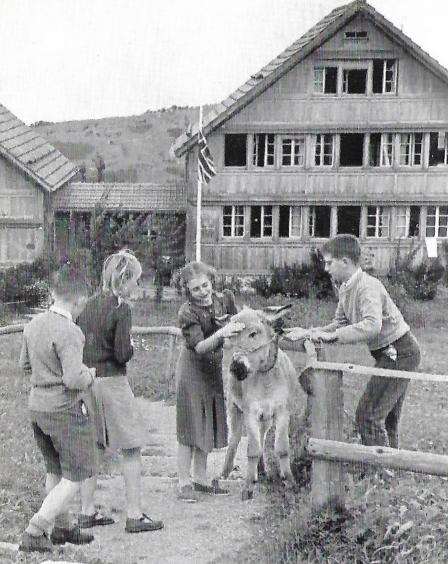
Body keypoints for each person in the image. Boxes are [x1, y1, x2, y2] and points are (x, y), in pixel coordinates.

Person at [285, 234, 420, 449]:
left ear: (345, 262)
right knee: (385, 417)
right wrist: (308, 332)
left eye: (330, 263)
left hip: (401, 352)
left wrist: (334, 336)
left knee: (368, 415)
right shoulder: (346, 287)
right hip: (390, 353)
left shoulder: (368, 286)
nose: (326, 269)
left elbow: (372, 325)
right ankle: (388, 468)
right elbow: (338, 323)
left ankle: (378, 470)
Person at [77, 249, 164, 533]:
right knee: (131, 447)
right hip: (113, 382)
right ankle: (134, 514)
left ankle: (86, 511)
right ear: (123, 280)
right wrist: (132, 348)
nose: (137, 287)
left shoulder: (87, 305)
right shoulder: (121, 309)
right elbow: (122, 353)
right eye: (136, 281)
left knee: (94, 446)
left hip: (88, 382)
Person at [18, 266, 97, 553]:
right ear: (80, 302)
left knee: (55, 469)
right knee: (75, 476)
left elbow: (24, 366)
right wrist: (90, 374)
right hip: (64, 411)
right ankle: (36, 529)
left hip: (37, 408)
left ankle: (62, 527)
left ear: (52, 293)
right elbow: (73, 379)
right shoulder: (71, 332)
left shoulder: (32, 324)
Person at [175, 261, 244, 502]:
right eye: (196, 289)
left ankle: (201, 479)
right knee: (189, 426)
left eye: (205, 285)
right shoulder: (187, 312)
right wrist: (222, 334)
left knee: (205, 423)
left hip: (212, 369)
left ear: (211, 282)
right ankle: (183, 482)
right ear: (188, 292)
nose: (203, 292)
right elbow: (200, 346)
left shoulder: (223, 299)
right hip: (192, 370)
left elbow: (239, 322)